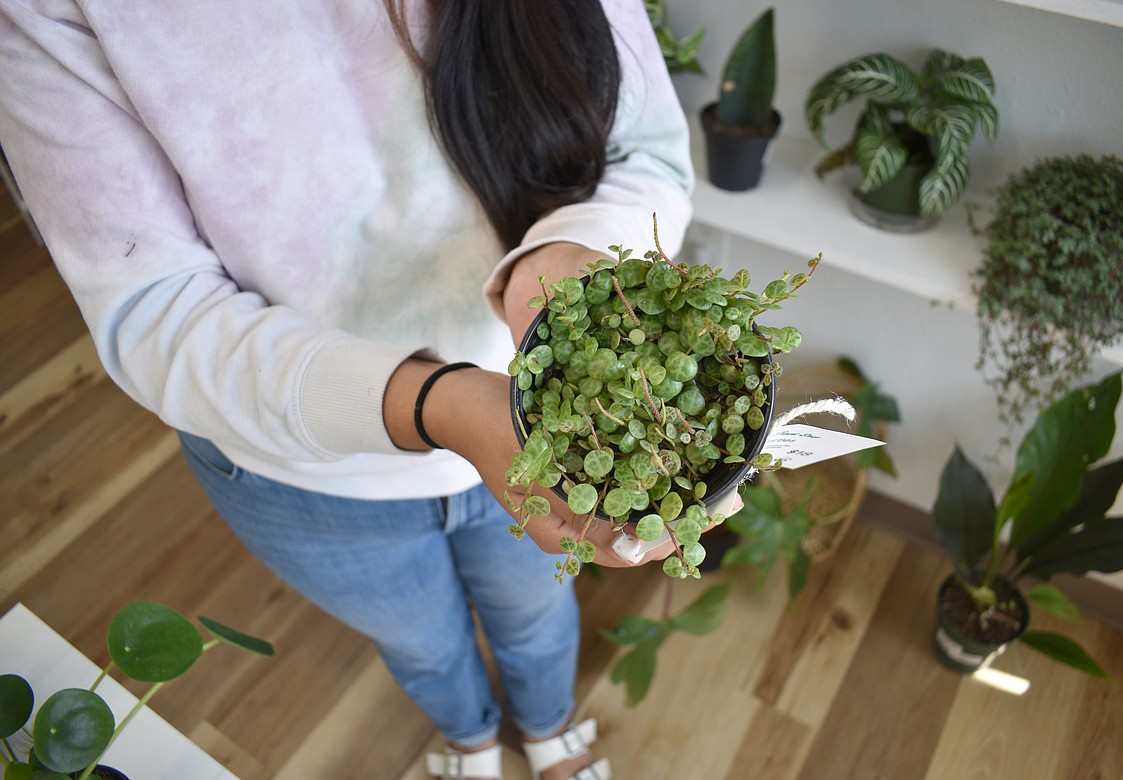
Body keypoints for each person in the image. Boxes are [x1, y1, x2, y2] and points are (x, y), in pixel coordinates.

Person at [0, 1, 693, 778]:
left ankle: (549, 732)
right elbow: (153, 309)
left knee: (537, 617)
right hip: (304, 463)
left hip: (544, 416)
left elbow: (646, 152)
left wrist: (564, 264)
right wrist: (445, 405)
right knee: (422, 644)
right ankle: (470, 740)